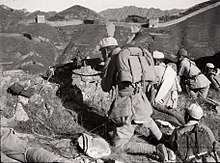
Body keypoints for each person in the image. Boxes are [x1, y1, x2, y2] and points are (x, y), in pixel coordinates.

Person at [99, 36, 169, 162]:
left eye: (101, 51)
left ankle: (155, 150)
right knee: (147, 120)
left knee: (118, 146)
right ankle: (164, 141)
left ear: (106, 50)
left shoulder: (114, 59)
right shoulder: (132, 56)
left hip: (126, 105)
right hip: (141, 99)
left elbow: (106, 87)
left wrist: (105, 71)